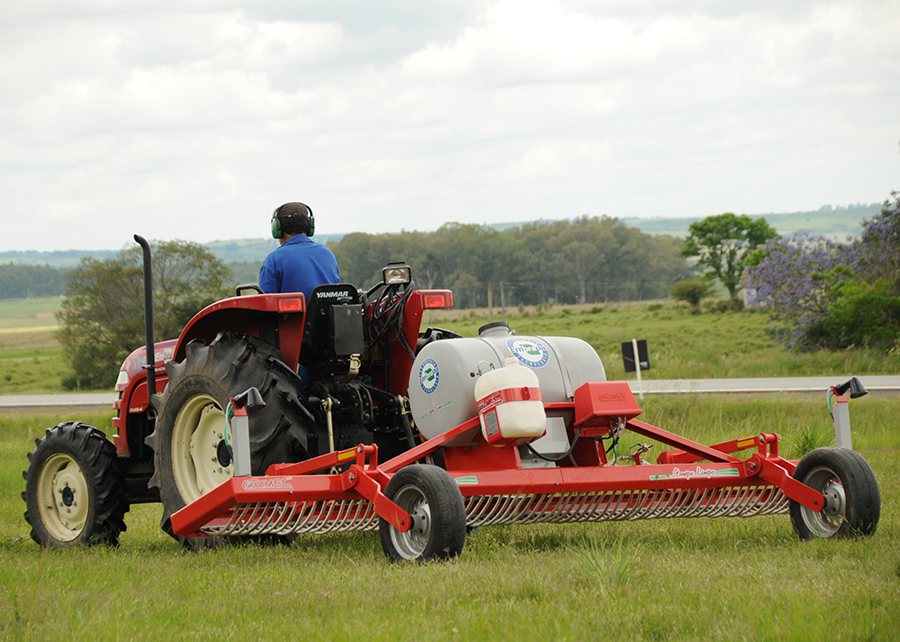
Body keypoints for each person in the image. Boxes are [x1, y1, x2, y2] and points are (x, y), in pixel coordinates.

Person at [259, 202, 340, 299]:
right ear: (310, 226)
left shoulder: (274, 259)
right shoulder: (328, 254)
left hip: (294, 315)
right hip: (328, 314)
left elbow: (265, 303)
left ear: (277, 228)